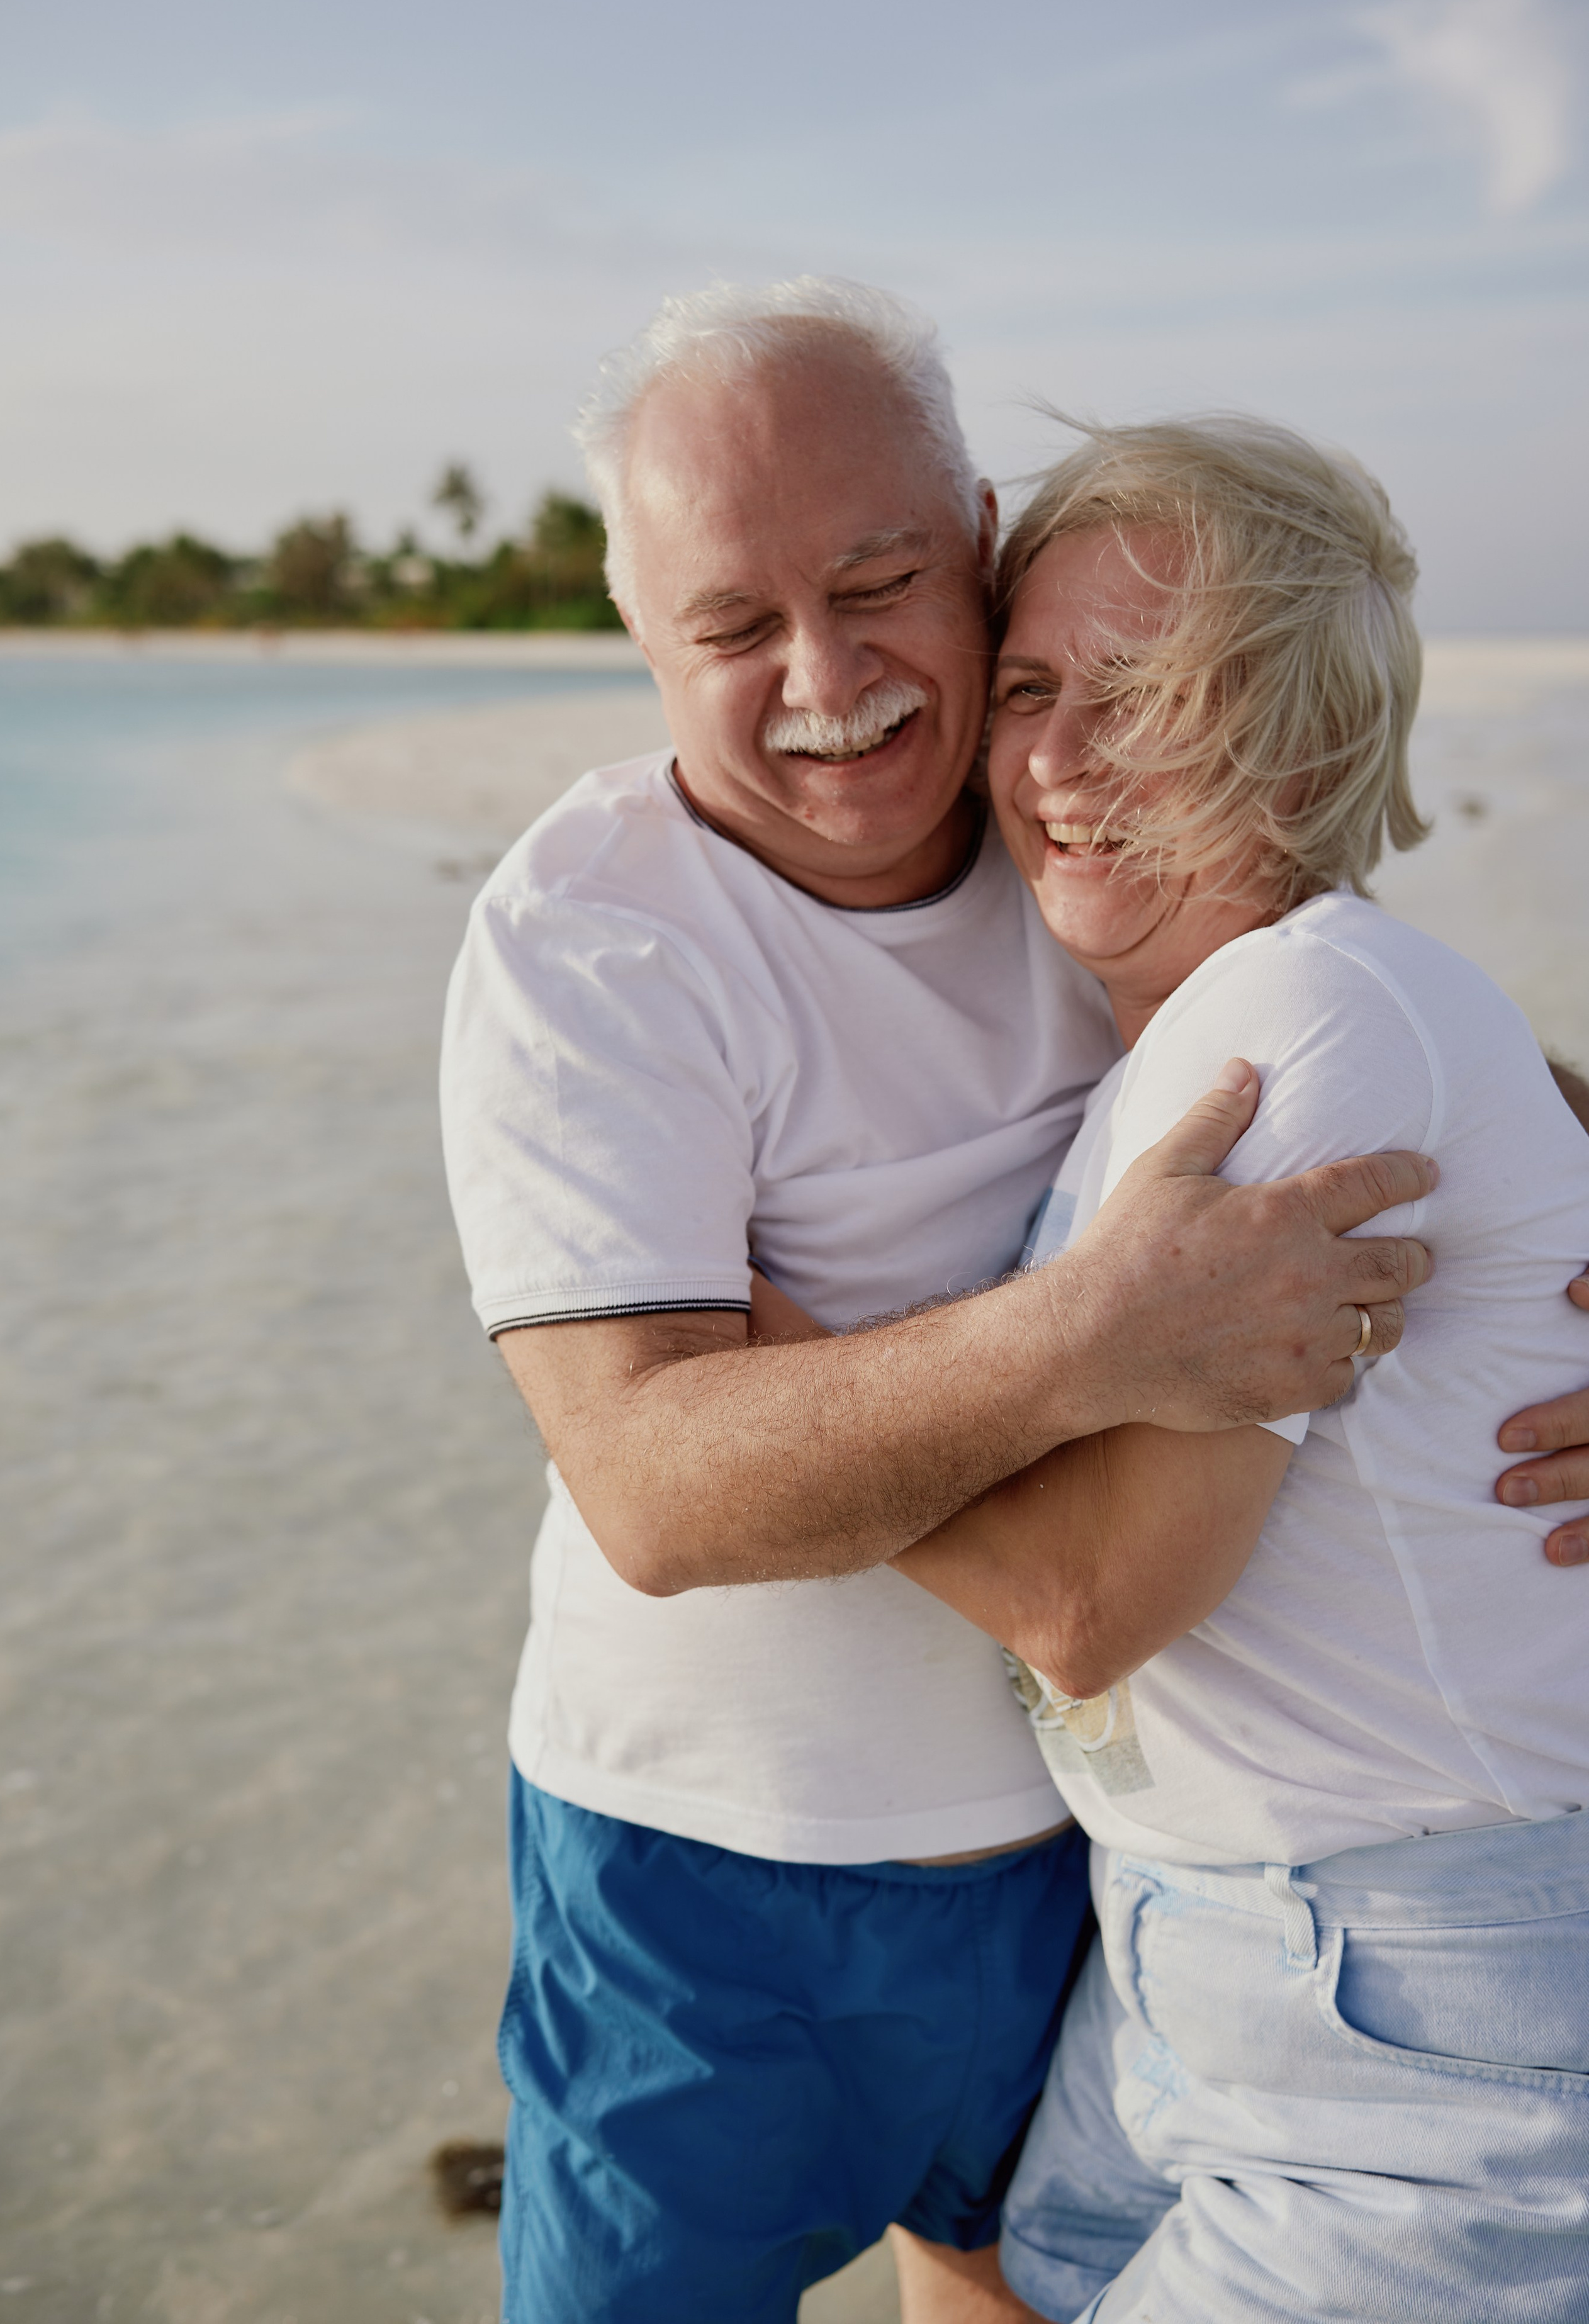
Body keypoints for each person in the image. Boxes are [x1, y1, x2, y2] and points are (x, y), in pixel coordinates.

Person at [439, 280, 1589, 2323]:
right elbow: (656, 1488)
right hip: (702, 1864)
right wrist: (1088, 1334)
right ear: (642, 636)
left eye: (885, 584)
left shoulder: (1064, 829)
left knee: (986, 2284)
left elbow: (1425, 1038)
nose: (829, 682)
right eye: (731, 629)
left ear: (969, 541)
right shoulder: (592, 940)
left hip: (1077, 1873)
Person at [845, 412, 1589, 2320]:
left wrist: (727, 1369)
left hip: (1420, 2013)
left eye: (1148, 697)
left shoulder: (1300, 1009)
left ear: (1315, 749)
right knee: (977, 2268)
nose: (1061, 763)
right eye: (1027, 688)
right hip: (1201, 1951)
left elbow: (1087, 1605)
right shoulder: (1207, 1021)